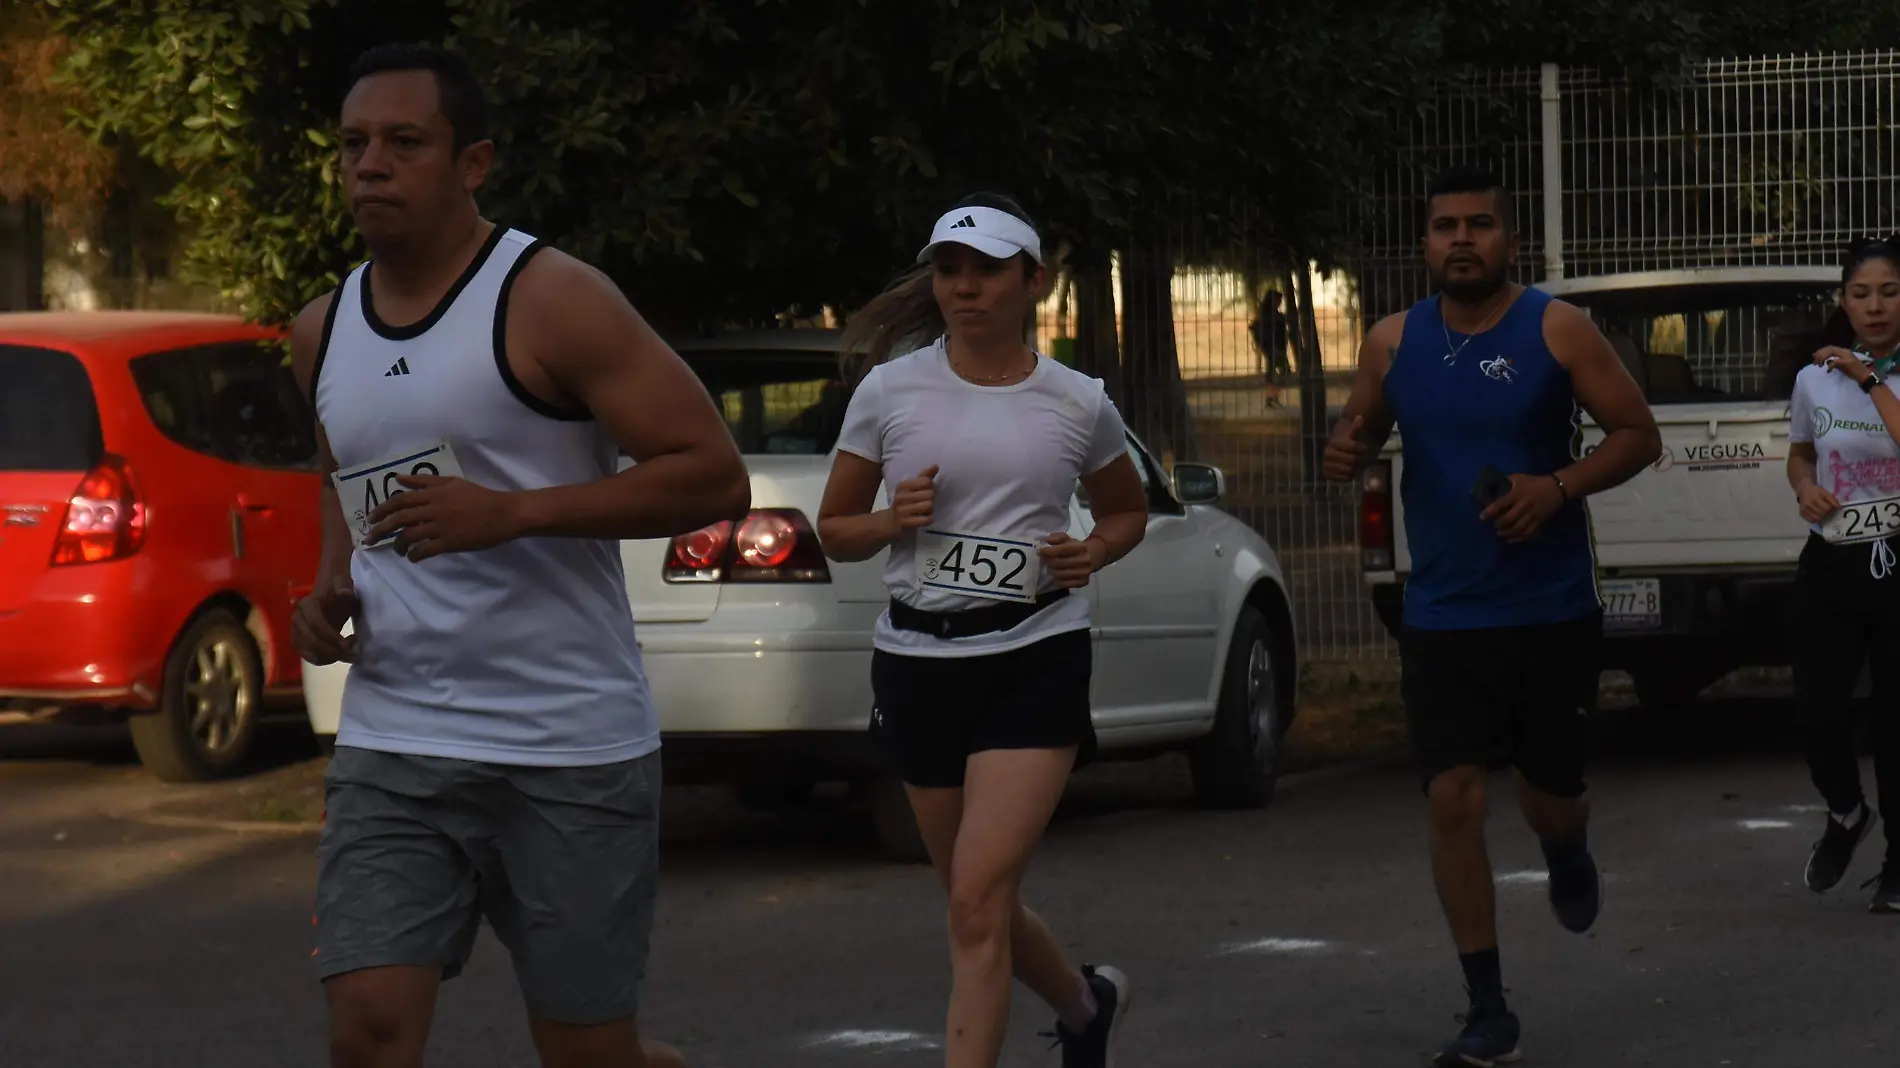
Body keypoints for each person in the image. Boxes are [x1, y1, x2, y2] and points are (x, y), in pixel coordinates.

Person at [288, 43, 747, 1068]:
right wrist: (330, 591)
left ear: (473, 162)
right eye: (355, 144)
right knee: (366, 1029)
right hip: (396, 739)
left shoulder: (551, 298)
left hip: (567, 745)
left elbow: (711, 474)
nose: (371, 165)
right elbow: (340, 475)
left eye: (404, 143)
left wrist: (515, 513)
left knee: (589, 1056)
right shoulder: (321, 330)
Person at [1322, 166, 1661, 1067]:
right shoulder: (1392, 341)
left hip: (1549, 610)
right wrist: (1343, 448)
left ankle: (1568, 847)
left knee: (1547, 796)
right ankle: (1487, 1007)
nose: (1461, 240)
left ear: (1508, 240)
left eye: (1479, 225)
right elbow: (1355, 433)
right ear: (1425, 242)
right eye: (1444, 227)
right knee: (1453, 797)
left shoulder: (1556, 326)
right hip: (1441, 613)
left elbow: (1638, 433)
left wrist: (1555, 489)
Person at [815, 193, 1149, 1068]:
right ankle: (1084, 1008)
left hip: (1035, 655)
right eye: (950, 270)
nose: (965, 288)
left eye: (987, 271)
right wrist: (894, 521)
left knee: (973, 903)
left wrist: (1093, 552)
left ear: (1033, 281)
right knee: (978, 901)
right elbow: (836, 528)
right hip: (919, 662)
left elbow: (1125, 512)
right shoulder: (890, 390)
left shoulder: (1078, 401)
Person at [1784, 234, 1900, 914]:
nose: (1875, 306)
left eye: (1889, 291)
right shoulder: (1812, 378)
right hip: (1830, 560)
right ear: (1842, 301)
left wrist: (1867, 376)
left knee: (1894, 724)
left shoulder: (1856, 373)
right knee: (1817, 711)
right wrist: (1803, 486)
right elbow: (1801, 454)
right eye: (1861, 294)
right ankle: (1847, 811)